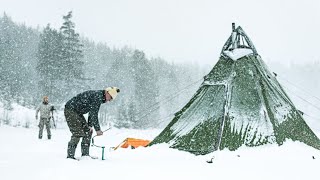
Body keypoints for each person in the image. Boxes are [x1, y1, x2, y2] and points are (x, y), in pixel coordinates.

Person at [64, 87, 120, 159]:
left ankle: (85, 155)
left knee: (88, 131)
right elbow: (94, 114)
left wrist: (90, 125)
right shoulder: (97, 96)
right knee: (77, 133)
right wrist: (98, 129)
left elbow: (91, 112)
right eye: (110, 97)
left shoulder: (99, 96)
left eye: (112, 99)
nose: (110, 100)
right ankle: (70, 156)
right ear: (107, 92)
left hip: (77, 112)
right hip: (70, 110)